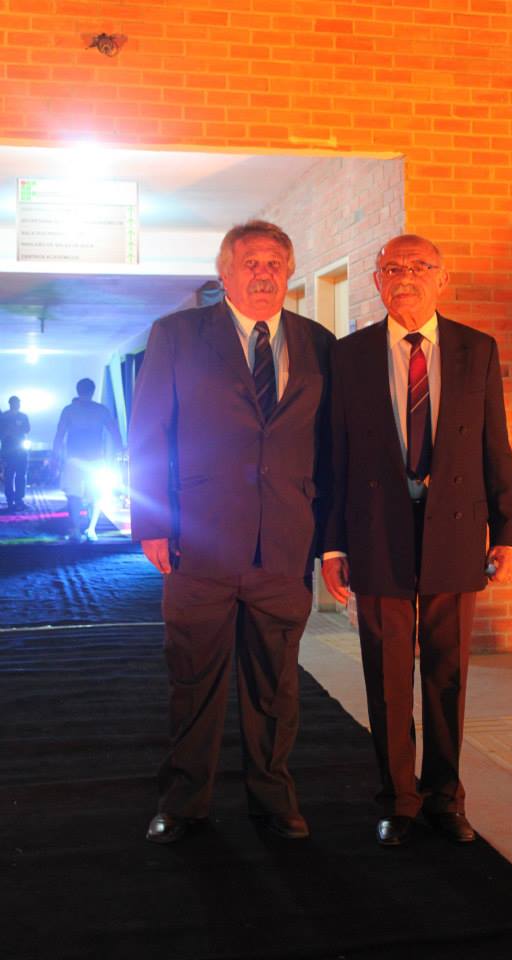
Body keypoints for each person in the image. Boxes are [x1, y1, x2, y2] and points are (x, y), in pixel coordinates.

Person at [129, 220, 334, 844]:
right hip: (199, 543)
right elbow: (149, 431)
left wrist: (331, 538)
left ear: (289, 272)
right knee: (194, 680)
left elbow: (331, 448)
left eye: (274, 262)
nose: (263, 273)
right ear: (225, 273)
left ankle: (273, 800)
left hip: (284, 546)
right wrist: (153, 521)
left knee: (276, 684)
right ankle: (184, 802)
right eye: (250, 262)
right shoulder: (177, 335)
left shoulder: (320, 343)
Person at [322, 234, 512, 847]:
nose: (404, 277)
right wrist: (332, 545)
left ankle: (445, 798)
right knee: (385, 674)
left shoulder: (476, 349)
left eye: (418, 266)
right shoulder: (348, 355)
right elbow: (334, 455)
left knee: (447, 672)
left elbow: (495, 444)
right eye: (392, 268)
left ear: (442, 278)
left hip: (456, 529)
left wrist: (509, 532)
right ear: (377, 281)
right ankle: (397, 799)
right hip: (375, 531)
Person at [53, 378, 123, 542]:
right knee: (97, 494)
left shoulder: (69, 410)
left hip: (74, 459)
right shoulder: (101, 410)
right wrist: (120, 450)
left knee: (74, 495)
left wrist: (55, 456)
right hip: (96, 458)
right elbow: (114, 431)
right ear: (93, 391)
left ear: (78, 391)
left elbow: (59, 434)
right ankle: (91, 529)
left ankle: (76, 529)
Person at [0, 396, 30, 512]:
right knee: (9, 476)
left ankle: (19, 500)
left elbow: (27, 429)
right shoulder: (4, 417)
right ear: (10, 403)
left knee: (21, 475)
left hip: (21, 449)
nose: (17, 404)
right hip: (8, 449)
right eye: (15, 403)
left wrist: (16, 430)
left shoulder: (23, 416)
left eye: (18, 402)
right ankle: (10, 500)